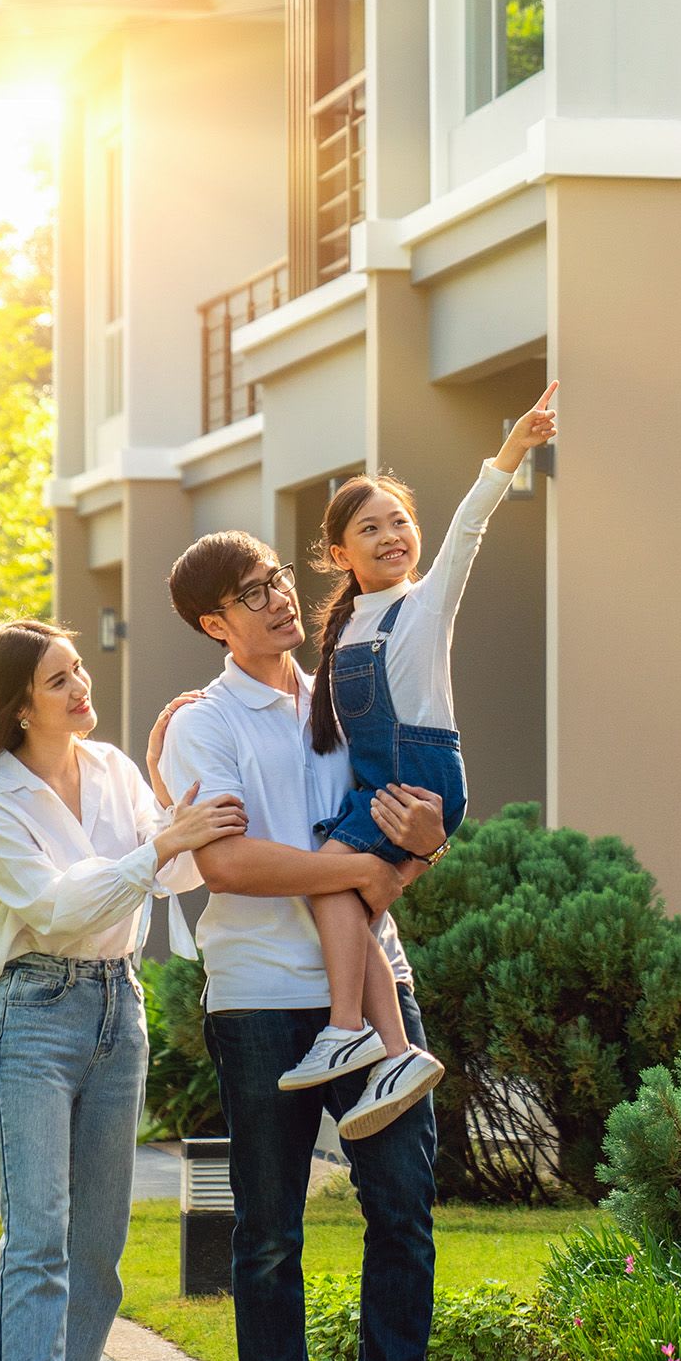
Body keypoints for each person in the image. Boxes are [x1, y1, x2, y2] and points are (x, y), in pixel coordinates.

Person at [155, 532, 455, 1361]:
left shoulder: (345, 694)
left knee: (403, 1206)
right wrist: (358, 870)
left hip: (376, 982)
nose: (282, 599)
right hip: (259, 999)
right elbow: (229, 865)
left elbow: (400, 817)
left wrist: (419, 845)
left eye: (280, 579)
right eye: (255, 593)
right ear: (215, 622)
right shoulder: (203, 726)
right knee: (271, 1224)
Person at [0, 619, 245, 1361]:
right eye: (58, 679)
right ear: (18, 705)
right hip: (35, 1012)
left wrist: (181, 803)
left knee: (99, 1244)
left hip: (119, 1006)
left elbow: (171, 875)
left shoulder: (108, 768)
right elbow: (59, 911)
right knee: (39, 1228)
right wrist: (160, 843)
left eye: (78, 671)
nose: (79, 689)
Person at [280, 384, 561, 1138]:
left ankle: (352, 1030)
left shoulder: (426, 602)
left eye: (399, 521)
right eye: (369, 528)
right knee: (343, 896)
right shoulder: (342, 629)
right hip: (383, 787)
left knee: (333, 886)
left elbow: (470, 526)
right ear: (340, 554)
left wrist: (513, 450)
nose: (390, 535)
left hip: (420, 783)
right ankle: (395, 1051)